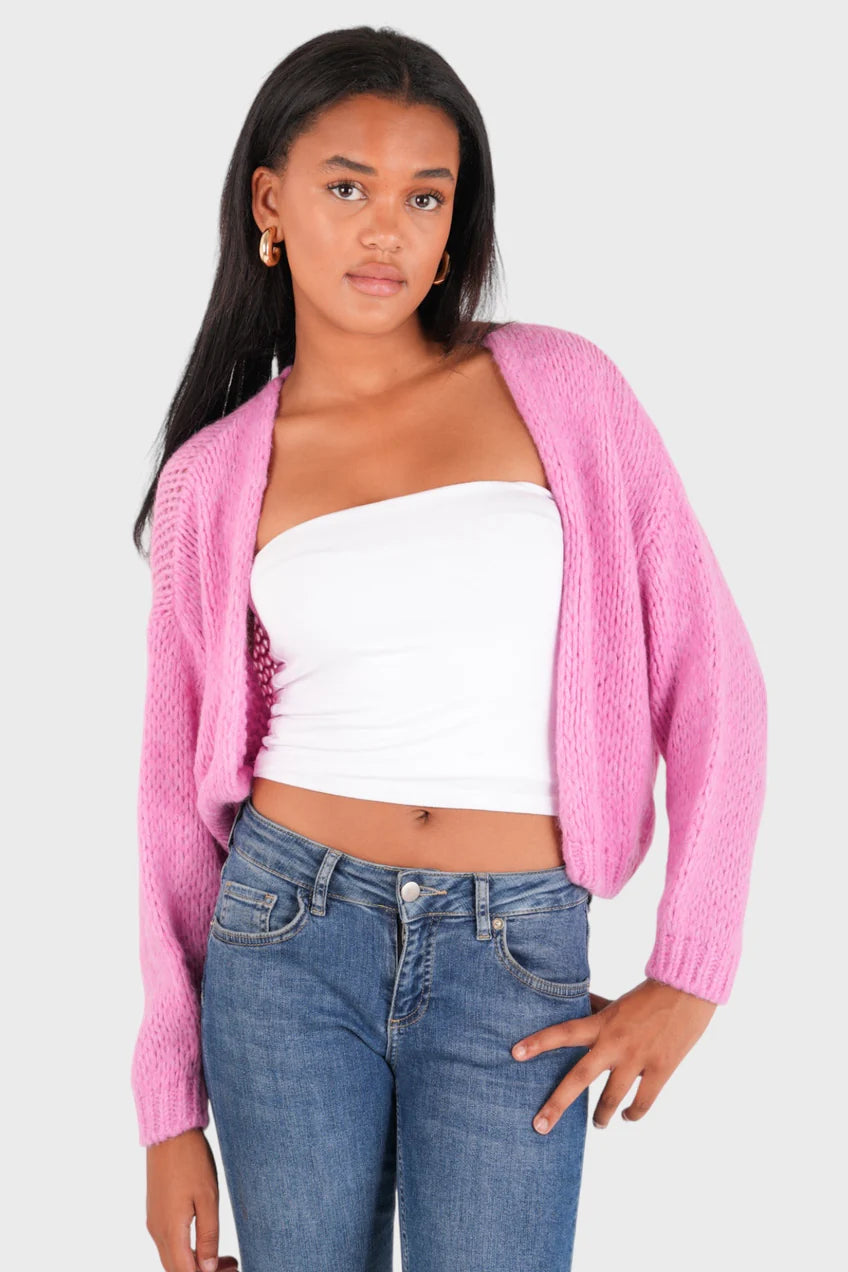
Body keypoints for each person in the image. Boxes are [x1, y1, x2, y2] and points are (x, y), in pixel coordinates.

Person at [131, 26, 768, 1272]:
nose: (386, 230)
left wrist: (690, 971)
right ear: (269, 203)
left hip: (513, 952)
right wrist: (167, 1112)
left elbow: (717, 684)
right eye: (346, 186)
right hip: (283, 941)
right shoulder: (215, 477)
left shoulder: (561, 390)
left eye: (423, 197)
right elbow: (169, 804)